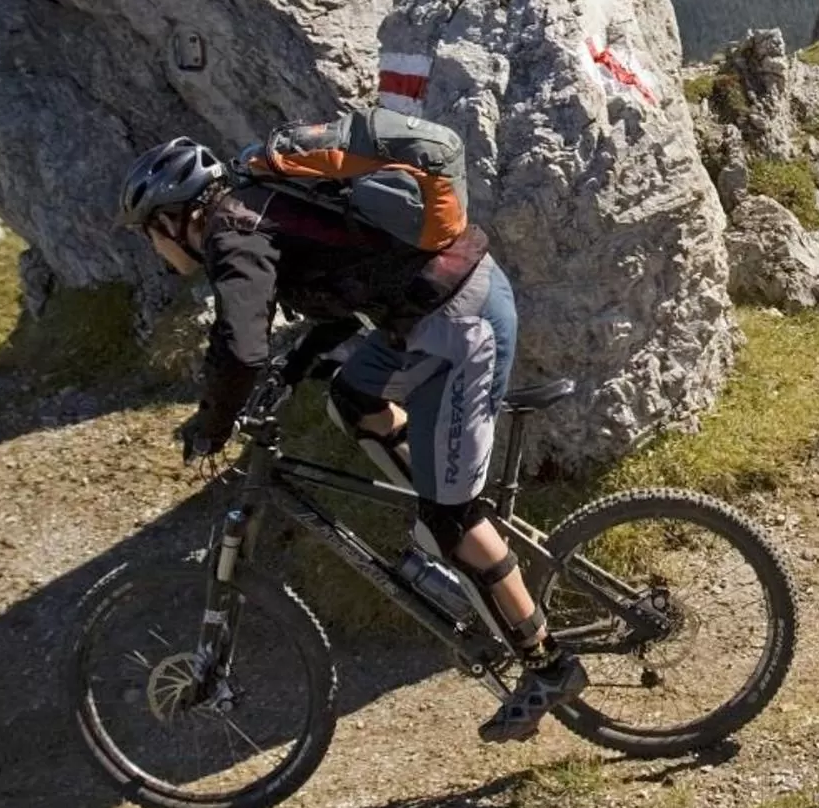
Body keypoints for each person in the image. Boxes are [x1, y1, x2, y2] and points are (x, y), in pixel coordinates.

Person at [117, 131, 586, 742]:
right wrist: (290, 368)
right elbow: (340, 285)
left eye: (149, 233)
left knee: (453, 519)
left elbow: (239, 347)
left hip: (458, 317)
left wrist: (213, 424)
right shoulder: (256, 208)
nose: (154, 249)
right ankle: (439, 533)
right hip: (428, 309)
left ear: (175, 219)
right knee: (354, 398)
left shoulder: (233, 234)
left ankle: (548, 666)